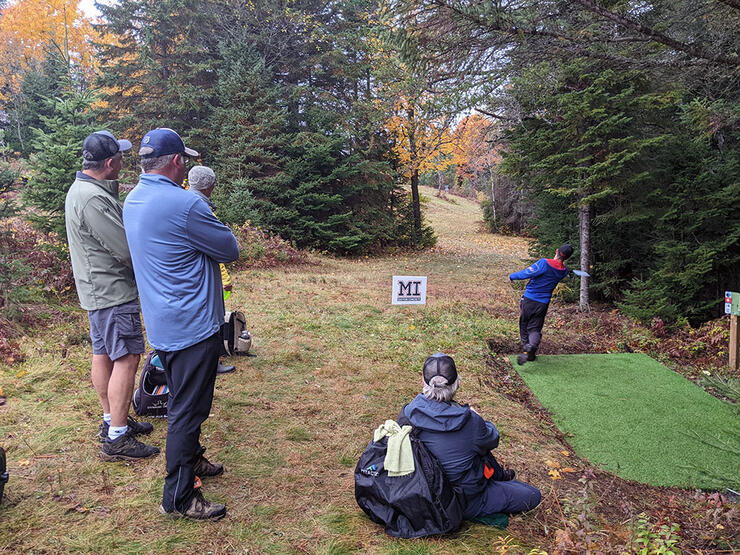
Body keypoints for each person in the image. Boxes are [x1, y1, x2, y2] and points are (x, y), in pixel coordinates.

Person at [122, 128, 240, 520]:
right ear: (176, 162)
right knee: (188, 411)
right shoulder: (186, 204)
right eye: (184, 160)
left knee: (182, 401)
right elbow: (229, 249)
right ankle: (179, 496)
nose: (186, 165)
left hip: (162, 323)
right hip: (192, 326)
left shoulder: (133, 198)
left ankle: (195, 459)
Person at [64, 130, 159, 462]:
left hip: (97, 290)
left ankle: (112, 420)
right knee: (128, 357)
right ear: (109, 163)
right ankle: (117, 437)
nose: (124, 160)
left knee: (103, 353)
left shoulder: (84, 191)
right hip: (112, 291)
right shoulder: (92, 198)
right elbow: (122, 247)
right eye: (119, 156)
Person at [400, 353, 541, 519]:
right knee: (532, 495)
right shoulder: (470, 421)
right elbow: (493, 438)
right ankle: (496, 482)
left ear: (423, 382)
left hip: (420, 493)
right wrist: (478, 418)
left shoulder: (408, 412)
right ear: (457, 383)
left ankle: (499, 478)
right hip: (461, 500)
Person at [187, 165, 234, 374]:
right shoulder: (199, 207)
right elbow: (224, 248)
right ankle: (210, 364)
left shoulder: (187, 202)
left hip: (193, 279)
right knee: (211, 318)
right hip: (202, 279)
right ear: (211, 186)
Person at [509, 244, 573, 365]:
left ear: (556, 251)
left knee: (524, 325)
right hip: (543, 304)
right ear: (567, 258)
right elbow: (564, 270)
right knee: (535, 329)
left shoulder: (544, 263)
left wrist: (512, 276)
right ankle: (531, 350)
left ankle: (526, 348)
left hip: (529, 300)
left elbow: (527, 273)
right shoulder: (563, 271)